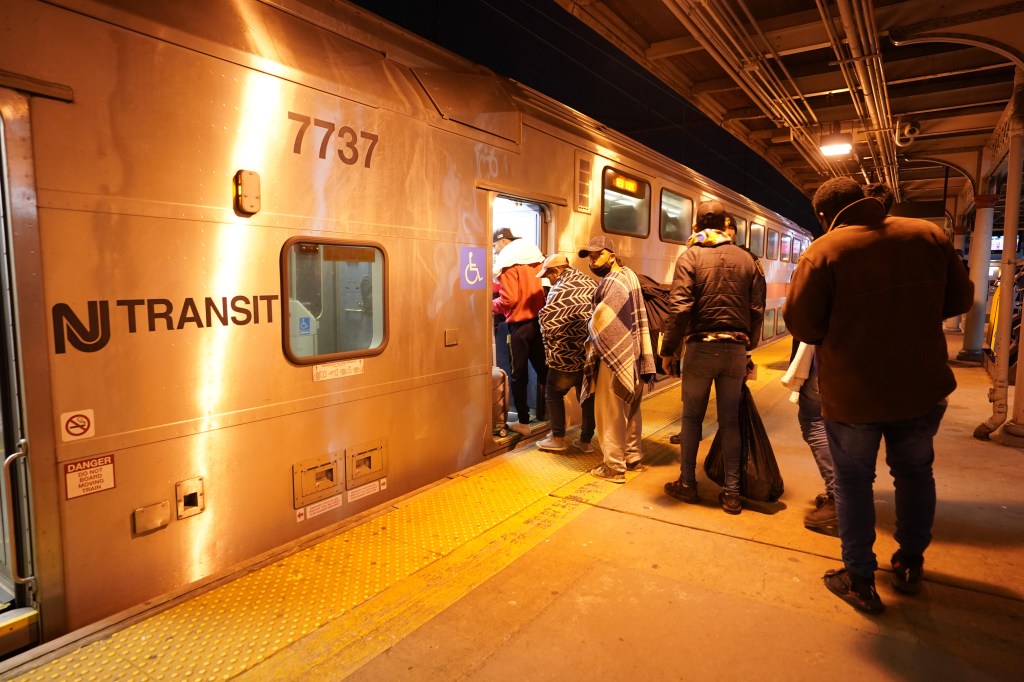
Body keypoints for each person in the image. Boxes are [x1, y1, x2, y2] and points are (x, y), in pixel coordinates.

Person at [783, 177, 973, 614]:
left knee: (853, 484)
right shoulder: (928, 235)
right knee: (914, 473)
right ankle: (909, 563)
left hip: (854, 395)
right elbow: (960, 299)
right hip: (920, 388)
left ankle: (859, 580)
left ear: (826, 216)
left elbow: (804, 327)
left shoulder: (824, 251)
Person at [659, 200, 766, 514]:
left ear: (695, 227)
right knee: (730, 422)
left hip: (700, 347)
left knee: (692, 419)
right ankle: (732, 494)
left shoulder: (690, 256)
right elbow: (757, 310)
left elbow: (679, 308)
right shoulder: (747, 260)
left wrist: (668, 350)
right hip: (734, 349)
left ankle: (688, 484)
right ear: (726, 225)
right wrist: (747, 349)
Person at [578, 236, 656, 482]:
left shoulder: (613, 280)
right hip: (633, 355)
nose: (592, 260)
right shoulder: (628, 275)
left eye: (597, 254)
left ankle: (613, 467)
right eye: (589, 256)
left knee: (609, 413)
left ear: (611, 255)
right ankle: (632, 457)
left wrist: (589, 327)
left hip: (615, 358)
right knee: (630, 408)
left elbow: (603, 321)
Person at [535, 253, 598, 452]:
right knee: (587, 396)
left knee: (553, 392)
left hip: (566, 355)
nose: (548, 280)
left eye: (548, 275)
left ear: (557, 270)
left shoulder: (559, 290)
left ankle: (558, 438)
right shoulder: (591, 283)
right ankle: (586, 441)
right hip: (589, 353)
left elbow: (550, 324)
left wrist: (551, 350)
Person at [492, 227, 548, 436]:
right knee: (543, 370)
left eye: (495, 246)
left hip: (519, 326)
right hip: (538, 322)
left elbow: (509, 299)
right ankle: (558, 420)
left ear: (503, 242)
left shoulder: (508, 264)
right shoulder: (534, 259)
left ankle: (523, 421)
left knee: (518, 374)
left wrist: (489, 305)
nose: (496, 251)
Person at [783, 340, 836, 530]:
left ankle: (838, 497)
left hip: (832, 357)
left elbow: (802, 320)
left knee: (814, 420)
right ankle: (852, 496)